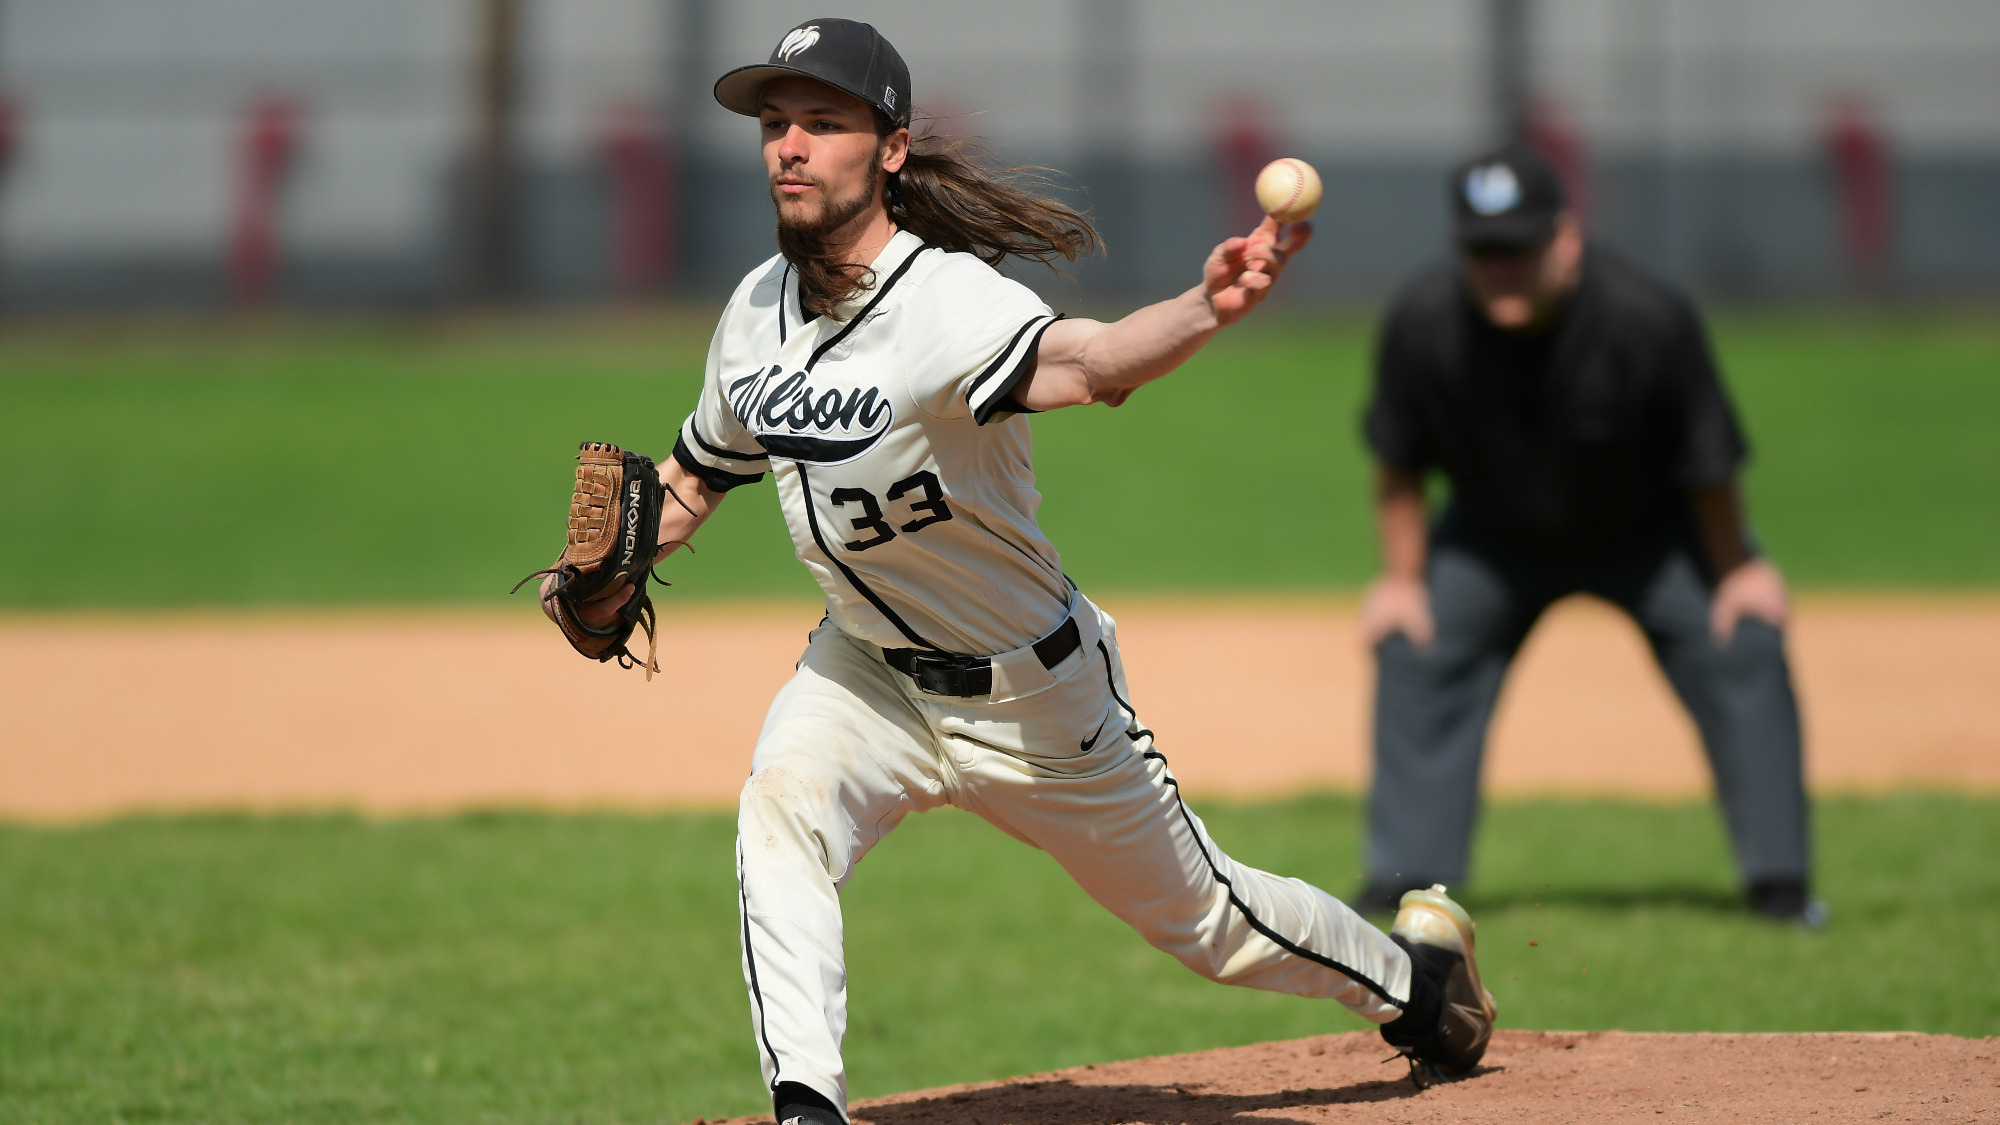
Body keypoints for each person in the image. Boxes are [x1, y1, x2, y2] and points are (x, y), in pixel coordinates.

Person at [546, 18, 1496, 1123]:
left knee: (1213, 926)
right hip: (863, 674)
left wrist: (1203, 308)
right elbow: (703, 472)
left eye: (821, 121)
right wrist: (611, 561)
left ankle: (1419, 986)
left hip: (1034, 697)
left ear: (889, 149)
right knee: (780, 807)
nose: (788, 146)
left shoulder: (949, 302)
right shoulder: (753, 311)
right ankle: (807, 1107)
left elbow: (1088, 363)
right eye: (773, 124)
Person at [1355, 144, 1821, 925]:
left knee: (1743, 639)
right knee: (1416, 642)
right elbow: (1398, 463)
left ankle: (1781, 884)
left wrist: (1737, 569)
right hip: (1492, 537)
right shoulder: (1425, 319)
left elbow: (1709, 462)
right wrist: (1402, 582)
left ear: (1566, 241)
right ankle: (1406, 887)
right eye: (1483, 251)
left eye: (1520, 248)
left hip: (1652, 533)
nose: (1500, 266)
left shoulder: (1646, 316)